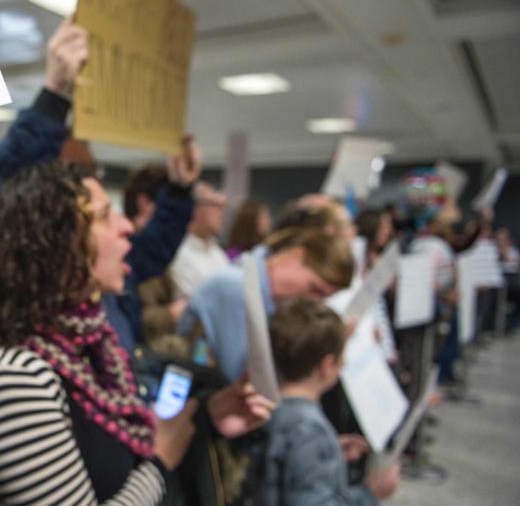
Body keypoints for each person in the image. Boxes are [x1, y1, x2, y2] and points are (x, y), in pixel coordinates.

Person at [0, 161, 272, 505]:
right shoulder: (13, 375)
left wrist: (207, 418)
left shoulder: (87, 340)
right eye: (105, 215)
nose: (125, 226)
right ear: (54, 241)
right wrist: (160, 464)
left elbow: (117, 451)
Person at [0, 17, 199, 354]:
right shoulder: (29, 283)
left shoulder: (103, 270)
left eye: (92, 172)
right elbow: (2, 198)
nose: (124, 226)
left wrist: (179, 191)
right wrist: (55, 98)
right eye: (76, 173)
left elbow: (154, 248)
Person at [243, 299, 399, 506]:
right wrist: (369, 493)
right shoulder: (309, 430)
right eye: (343, 356)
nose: (345, 363)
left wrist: (329, 453)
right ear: (327, 365)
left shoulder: (264, 405)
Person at [177, 227, 355, 381]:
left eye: (324, 298)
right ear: (296, 256)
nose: (314, 302)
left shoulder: (255, 291)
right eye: (315, 289)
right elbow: (249, 380)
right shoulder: (238, 288)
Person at [169, 182, 230, 298]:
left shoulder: (218, 253)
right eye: (215, 204)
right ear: (193, 208)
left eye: (223, 206)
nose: (222, 212)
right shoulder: (178, 253)